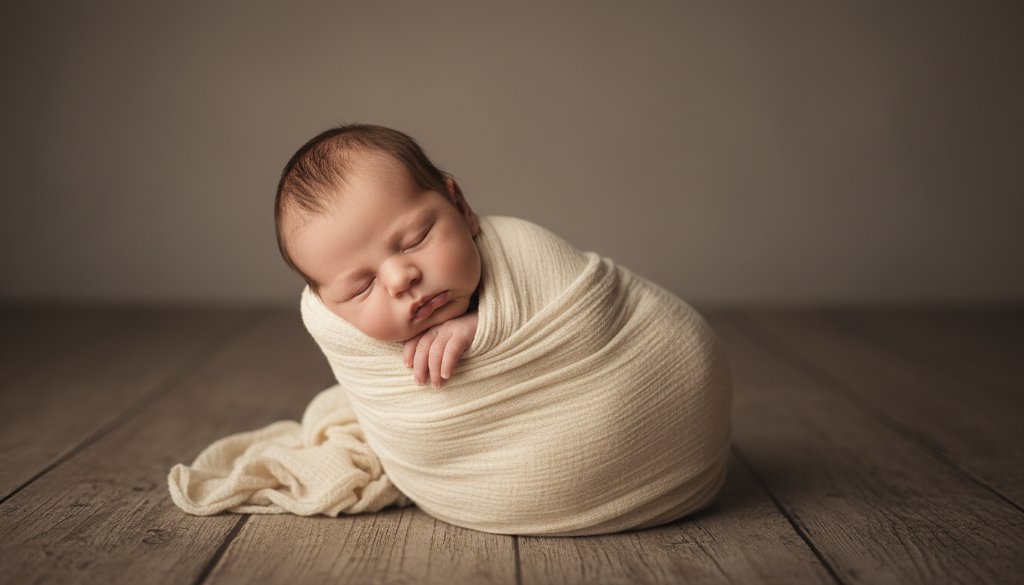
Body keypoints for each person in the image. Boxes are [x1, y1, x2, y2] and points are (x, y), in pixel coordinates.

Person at [275, 124, 484, 389]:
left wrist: (483, 328)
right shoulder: (339, 332)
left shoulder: (524, 258)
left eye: (415, 240)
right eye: (362, 286)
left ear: (460, 207)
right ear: (330, 308)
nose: (400, 279)